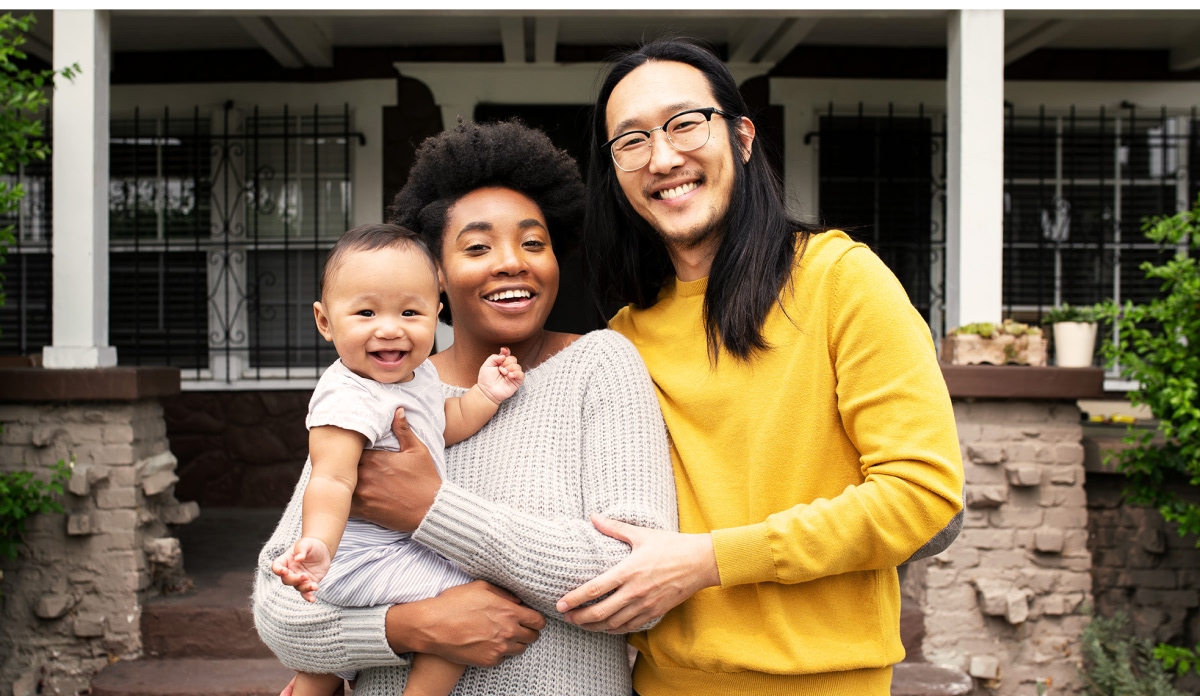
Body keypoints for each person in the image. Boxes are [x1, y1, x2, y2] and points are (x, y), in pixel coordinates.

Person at [557, 38, 966, 695]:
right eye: (630, 140)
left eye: (685, 123)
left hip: (825, 682)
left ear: (742, 137)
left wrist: (711, 562)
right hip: (662, 683)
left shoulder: (840, 280)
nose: (663, 157)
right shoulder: (623, 339)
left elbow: (920, 496)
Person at [252, 120, 678, 696]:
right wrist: (412, 626)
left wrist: (431, 509)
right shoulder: (379, 387)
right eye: (477, 247)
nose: (512, 262)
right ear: (436, 277)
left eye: (534, 243)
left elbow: (639, 591)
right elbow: (281, 612)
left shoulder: (599, 366)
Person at [270, 224, 525, 696]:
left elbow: (443, 424)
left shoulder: (417, 377)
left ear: (436, 314)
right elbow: (330, 479)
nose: (390, 328)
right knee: (463, 602)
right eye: (366, 312)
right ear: (325, 322)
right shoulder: (347, 396)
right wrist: (319, 543)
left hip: (394, 551)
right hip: (358, 558)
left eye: (411, 311)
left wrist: (486, 394)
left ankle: (312, 685)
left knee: (327, 667)